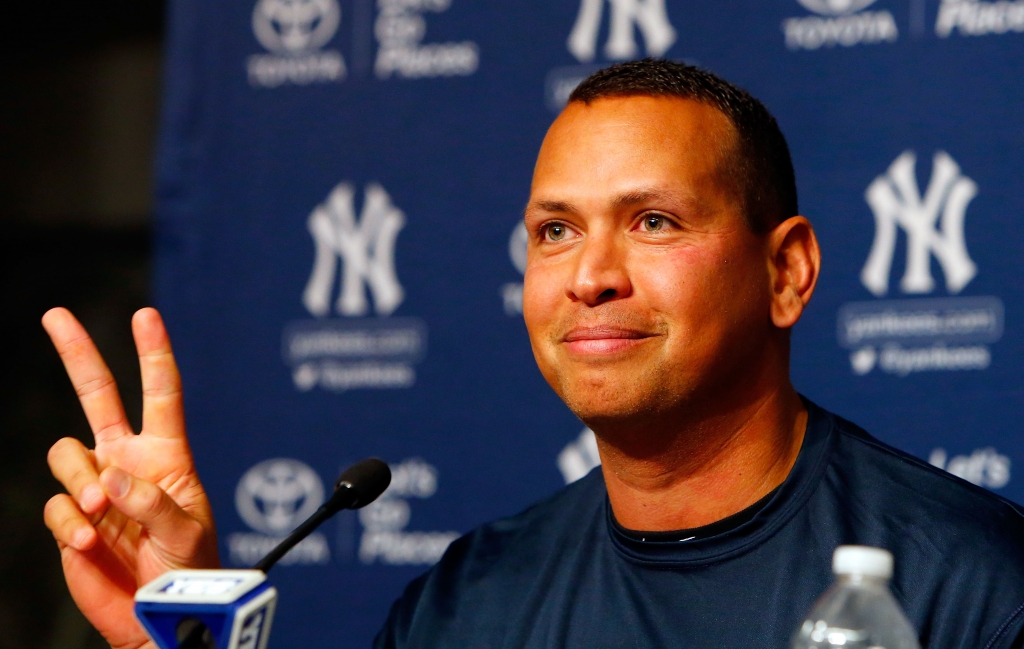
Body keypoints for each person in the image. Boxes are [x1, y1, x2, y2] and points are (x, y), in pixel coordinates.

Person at [43, 59, 1024, 649]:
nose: (590, 275)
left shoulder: (970, 587)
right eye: (553, 232)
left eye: (651, 220)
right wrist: (188, 633)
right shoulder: (467, 602)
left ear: (787, 272)